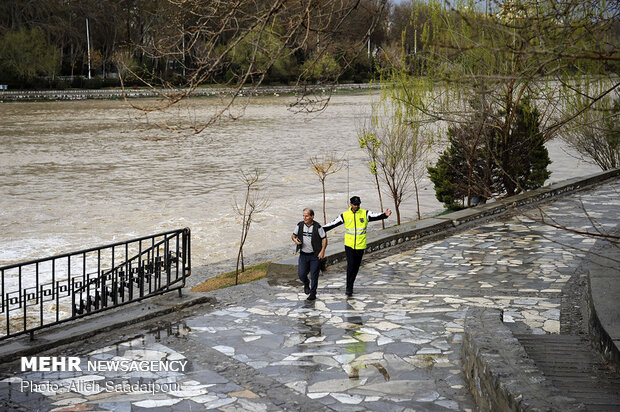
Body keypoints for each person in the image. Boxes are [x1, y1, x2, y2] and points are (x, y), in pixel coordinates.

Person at [323, 196, 391, 297]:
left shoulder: (365, 213)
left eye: (358, 204)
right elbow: (332, 224)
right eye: (355, 204)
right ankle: (349, 288)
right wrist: (318, 229)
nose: (356, 206)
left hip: (360, 245)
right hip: (349, 246)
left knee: (356, 267)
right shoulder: (345, 215)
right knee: (350, 266)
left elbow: (376, 216)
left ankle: (351, 284)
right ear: (350, 204)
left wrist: (385, 215)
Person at [292, 208, 327, 301]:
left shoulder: (318, 227)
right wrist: (296, 241)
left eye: (307, 216)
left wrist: (322, 251)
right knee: (301, 274)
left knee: (314, 275)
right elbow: (293, 236)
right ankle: (306, 283)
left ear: (312, 216)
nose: (305, 217)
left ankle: (313, 293)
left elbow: (324, 238)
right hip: (303, 255)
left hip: (315, 255)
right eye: (303, 215)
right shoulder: (300, 225)